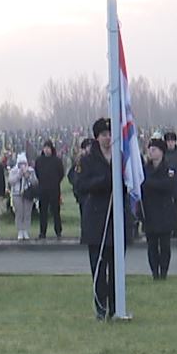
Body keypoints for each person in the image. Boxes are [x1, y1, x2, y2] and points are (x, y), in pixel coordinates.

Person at [73, 123, 123, 319]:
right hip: (96, 220)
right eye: (104, 134)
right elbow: (80, 185)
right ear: (97, 137)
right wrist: (104, 181)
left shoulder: (121, 156)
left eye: (110, 134)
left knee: (116, 268)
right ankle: (101, 308)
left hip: (116, 219)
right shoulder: (87, 160)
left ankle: (117, 307)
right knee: (99, 268)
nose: (108, 137)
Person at [139, 139, 177, 280]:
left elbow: (169, 186)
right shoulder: (144, 169)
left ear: (161, 152)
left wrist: (149, 184)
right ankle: (154, 272)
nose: (151, 152)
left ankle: (164, 272)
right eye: (150, 149)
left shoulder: (169, 168)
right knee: (151, 246)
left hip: (165, 212)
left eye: (154, 149)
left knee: (165, 245)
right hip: (149, 211)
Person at [33, 141, 64, 240]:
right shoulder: (39, 161)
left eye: (48, 148)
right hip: (43, 190)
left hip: (54, 189)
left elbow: (61, 174)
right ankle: (42, 232)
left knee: (56, 212)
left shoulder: (57, 161)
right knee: (43, 212)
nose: (46, 150)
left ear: (52, 149)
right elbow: (37, 173)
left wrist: (55, 182)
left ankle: (58, 231)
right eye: (45, 148)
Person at [7, 152, 36, 241]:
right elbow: (11, 181)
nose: (22, 165)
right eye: (20, 163)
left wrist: (28, 176)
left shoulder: (31, 170)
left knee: (27, 213)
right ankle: (20, 230)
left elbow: (35, 182)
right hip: (17, 194)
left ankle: (26, 230)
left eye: (24, 163)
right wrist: (19, 175)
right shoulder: (13, 171)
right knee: (19, 213)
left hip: (28, 194)